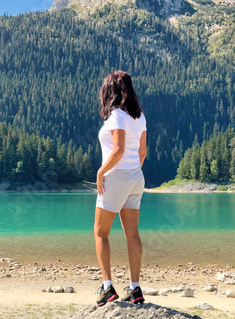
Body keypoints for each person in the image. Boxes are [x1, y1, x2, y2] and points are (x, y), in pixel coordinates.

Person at [94, 70, 147, 307]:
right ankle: (135, 289)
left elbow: (118, 150)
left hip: (116, 177)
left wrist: (101, 172)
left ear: (110, 90)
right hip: (137, 176)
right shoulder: (139, 117)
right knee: (132, 234)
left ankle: (107, 288)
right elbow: (142, 152)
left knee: (100, 232)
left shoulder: (116, 115)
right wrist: (133, 171)